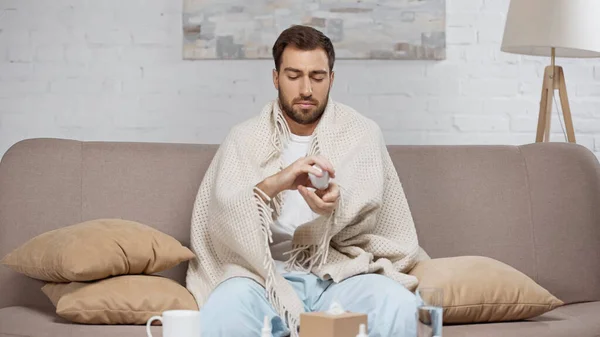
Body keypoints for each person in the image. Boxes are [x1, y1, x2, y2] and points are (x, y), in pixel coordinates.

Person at [186, 25, 423, 337]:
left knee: (397, 304)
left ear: (332, 79)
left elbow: (377, 212)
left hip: (339, 275)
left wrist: (337, 204)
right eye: (293, 75)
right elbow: (221, 218)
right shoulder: (243, 137)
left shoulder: (362, 133)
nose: (306, 89)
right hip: (261, 279)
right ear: (276, 78)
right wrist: (276, 183)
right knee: (224, 309)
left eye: (317, 76)